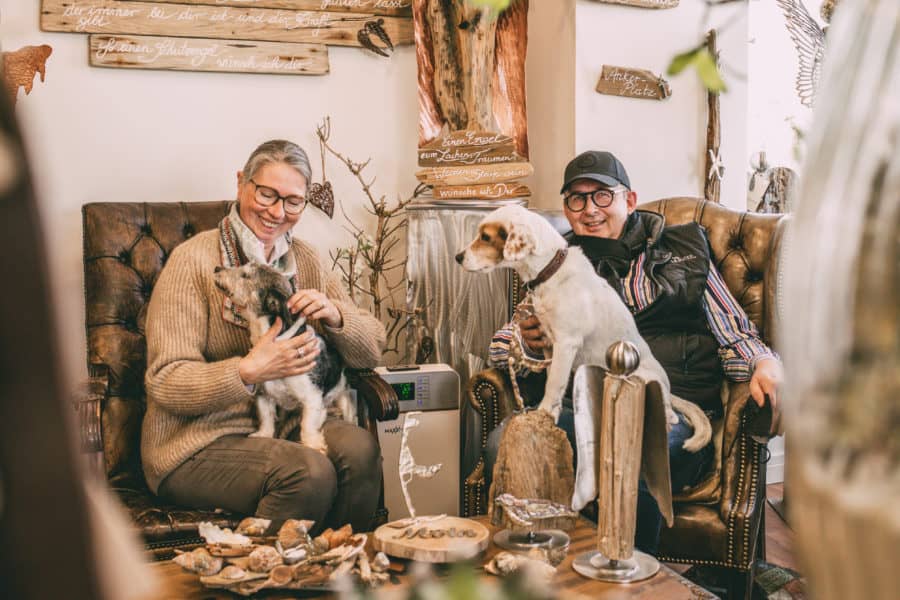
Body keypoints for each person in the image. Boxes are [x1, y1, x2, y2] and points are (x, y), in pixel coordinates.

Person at [486, 150, 783, 553]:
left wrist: (764, 362)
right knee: (506, 439)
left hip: (671, 411)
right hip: (588, 408)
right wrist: (529, 342)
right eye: (577, 199)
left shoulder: (686, 248)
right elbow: (502, 346)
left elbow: (734, 331)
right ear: (567, 209)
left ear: (629, 200)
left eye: (602, 195)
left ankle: (627, 578)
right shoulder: (555, 262)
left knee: (630, 446)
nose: (589, 210)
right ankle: (542, 576)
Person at [141, 139, 387, 533]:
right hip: (197, 442)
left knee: (360, 451)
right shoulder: (192, 261)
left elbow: (374, 348)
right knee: (308, 472)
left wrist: (336, 314)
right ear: (241, 184)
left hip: (287, 425)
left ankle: (339, 575)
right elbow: (166, 383)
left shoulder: (306, 260)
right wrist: (246, 371)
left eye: (293, 201)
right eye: (267, 194)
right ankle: (264, 583)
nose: (277, 212)